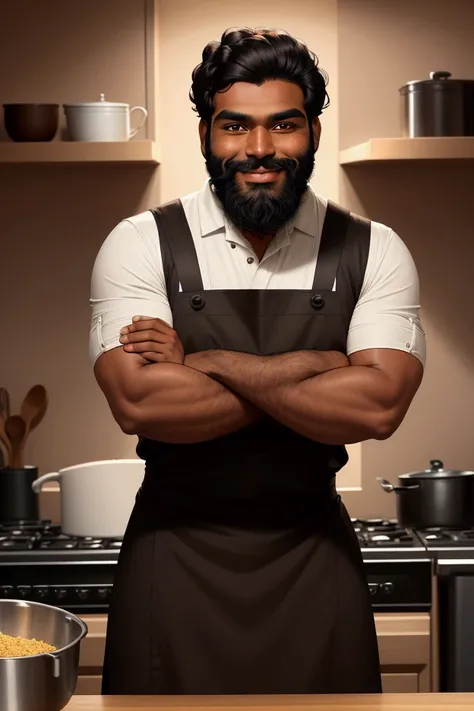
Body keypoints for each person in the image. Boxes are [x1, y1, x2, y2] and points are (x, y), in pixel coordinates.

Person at [89, 27, 425, 696]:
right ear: (206, 132)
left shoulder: (374, 249)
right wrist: (321, 364)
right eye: (235, 125)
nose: (260, 149)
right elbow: (143, 405)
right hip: (174, 559)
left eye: (284, 125)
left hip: (314, 560)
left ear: (315, 130)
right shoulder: (137, 243)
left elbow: (377, 407)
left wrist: (207, 359)